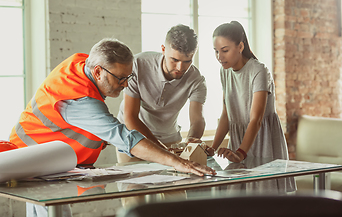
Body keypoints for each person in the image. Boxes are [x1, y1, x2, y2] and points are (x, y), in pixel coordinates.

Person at [9, 38, 215, 217]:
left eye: (128, 77)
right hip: (29, 158)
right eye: (120, 78)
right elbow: (125, 137)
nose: (125, 84)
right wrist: (177, 162)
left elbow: (75, 124)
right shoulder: (80, 99)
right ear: (98, 71)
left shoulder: (82, 65)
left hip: (42, 158)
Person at [207, 21, 295, 192]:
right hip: (239, 142)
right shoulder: (224, 71)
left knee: (263, 204)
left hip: (263, 141)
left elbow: (256, 119)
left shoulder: (259, 70)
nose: (219, 56)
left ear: (240, 46)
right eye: (216, 51)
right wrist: (213, 148)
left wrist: (241, 152)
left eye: (225, 50)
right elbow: (227, 114)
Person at [117, 24, 207, 163]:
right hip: (133, 137)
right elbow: (130, 118)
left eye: (187, 61)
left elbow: (197, 119)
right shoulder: (138, 65)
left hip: (170, 140)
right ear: (163, 50)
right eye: (174, 60)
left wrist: (191, 140)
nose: (180, 68)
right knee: (133, 184)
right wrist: (161, 150)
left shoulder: (196, 80)